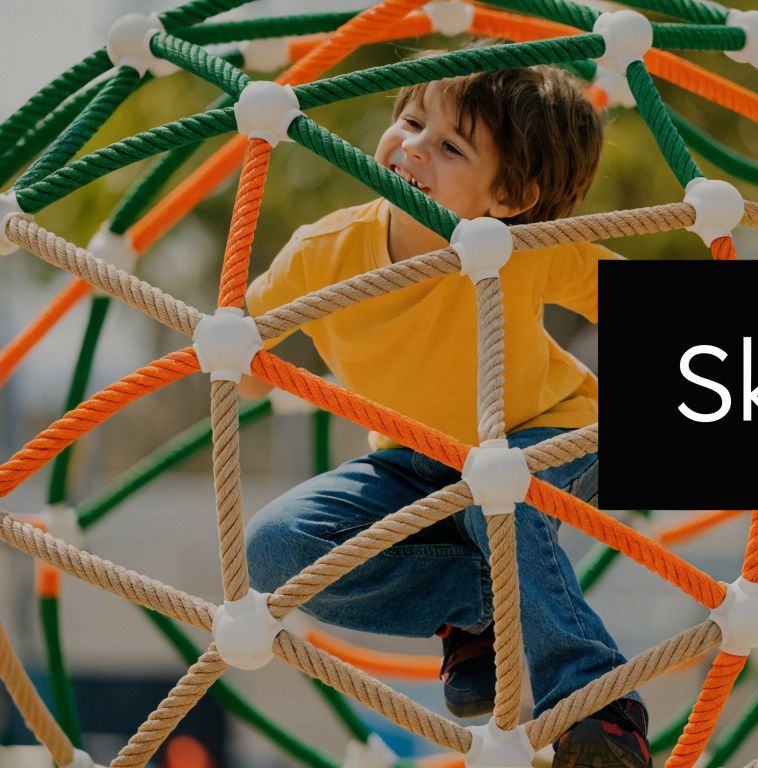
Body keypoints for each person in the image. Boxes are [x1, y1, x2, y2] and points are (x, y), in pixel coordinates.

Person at [240, 52, 649, 768]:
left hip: (553, 433)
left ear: (512, 196)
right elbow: (247, 342)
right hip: (416, 461)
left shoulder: (517, 250)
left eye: (451, 147)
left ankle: (597, 704)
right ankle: (481, 610)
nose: (412, 146)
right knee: (276, 550)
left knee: (497, 499)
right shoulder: (325, 253)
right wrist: (235, 359)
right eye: (410, 119)